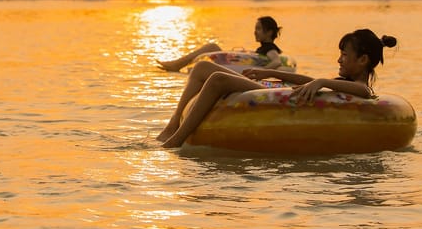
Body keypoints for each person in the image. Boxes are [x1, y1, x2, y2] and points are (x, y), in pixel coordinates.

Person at [158, 28, 397, 148]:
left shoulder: (360, 89)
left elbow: (366, 92)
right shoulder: (343, 83)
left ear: (363, 60)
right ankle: (172, 125)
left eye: (344, 55)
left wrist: (321, 82)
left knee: (218, 79)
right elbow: (307, 80)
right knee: (201, 69)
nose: (339, 60)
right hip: (278, 93)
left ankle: (176, 141)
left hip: (278, 98)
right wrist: (271, 72)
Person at [156, 16, 285, 72]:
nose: (255, 32)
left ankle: (177, 64)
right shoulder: (263, 49)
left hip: (251, 73)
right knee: (212, 47)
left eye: (258, 29)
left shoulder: (270, 49)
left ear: (269, 32)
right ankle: (177, 63)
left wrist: (259, 72)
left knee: (212, 47)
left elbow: (277, 61)